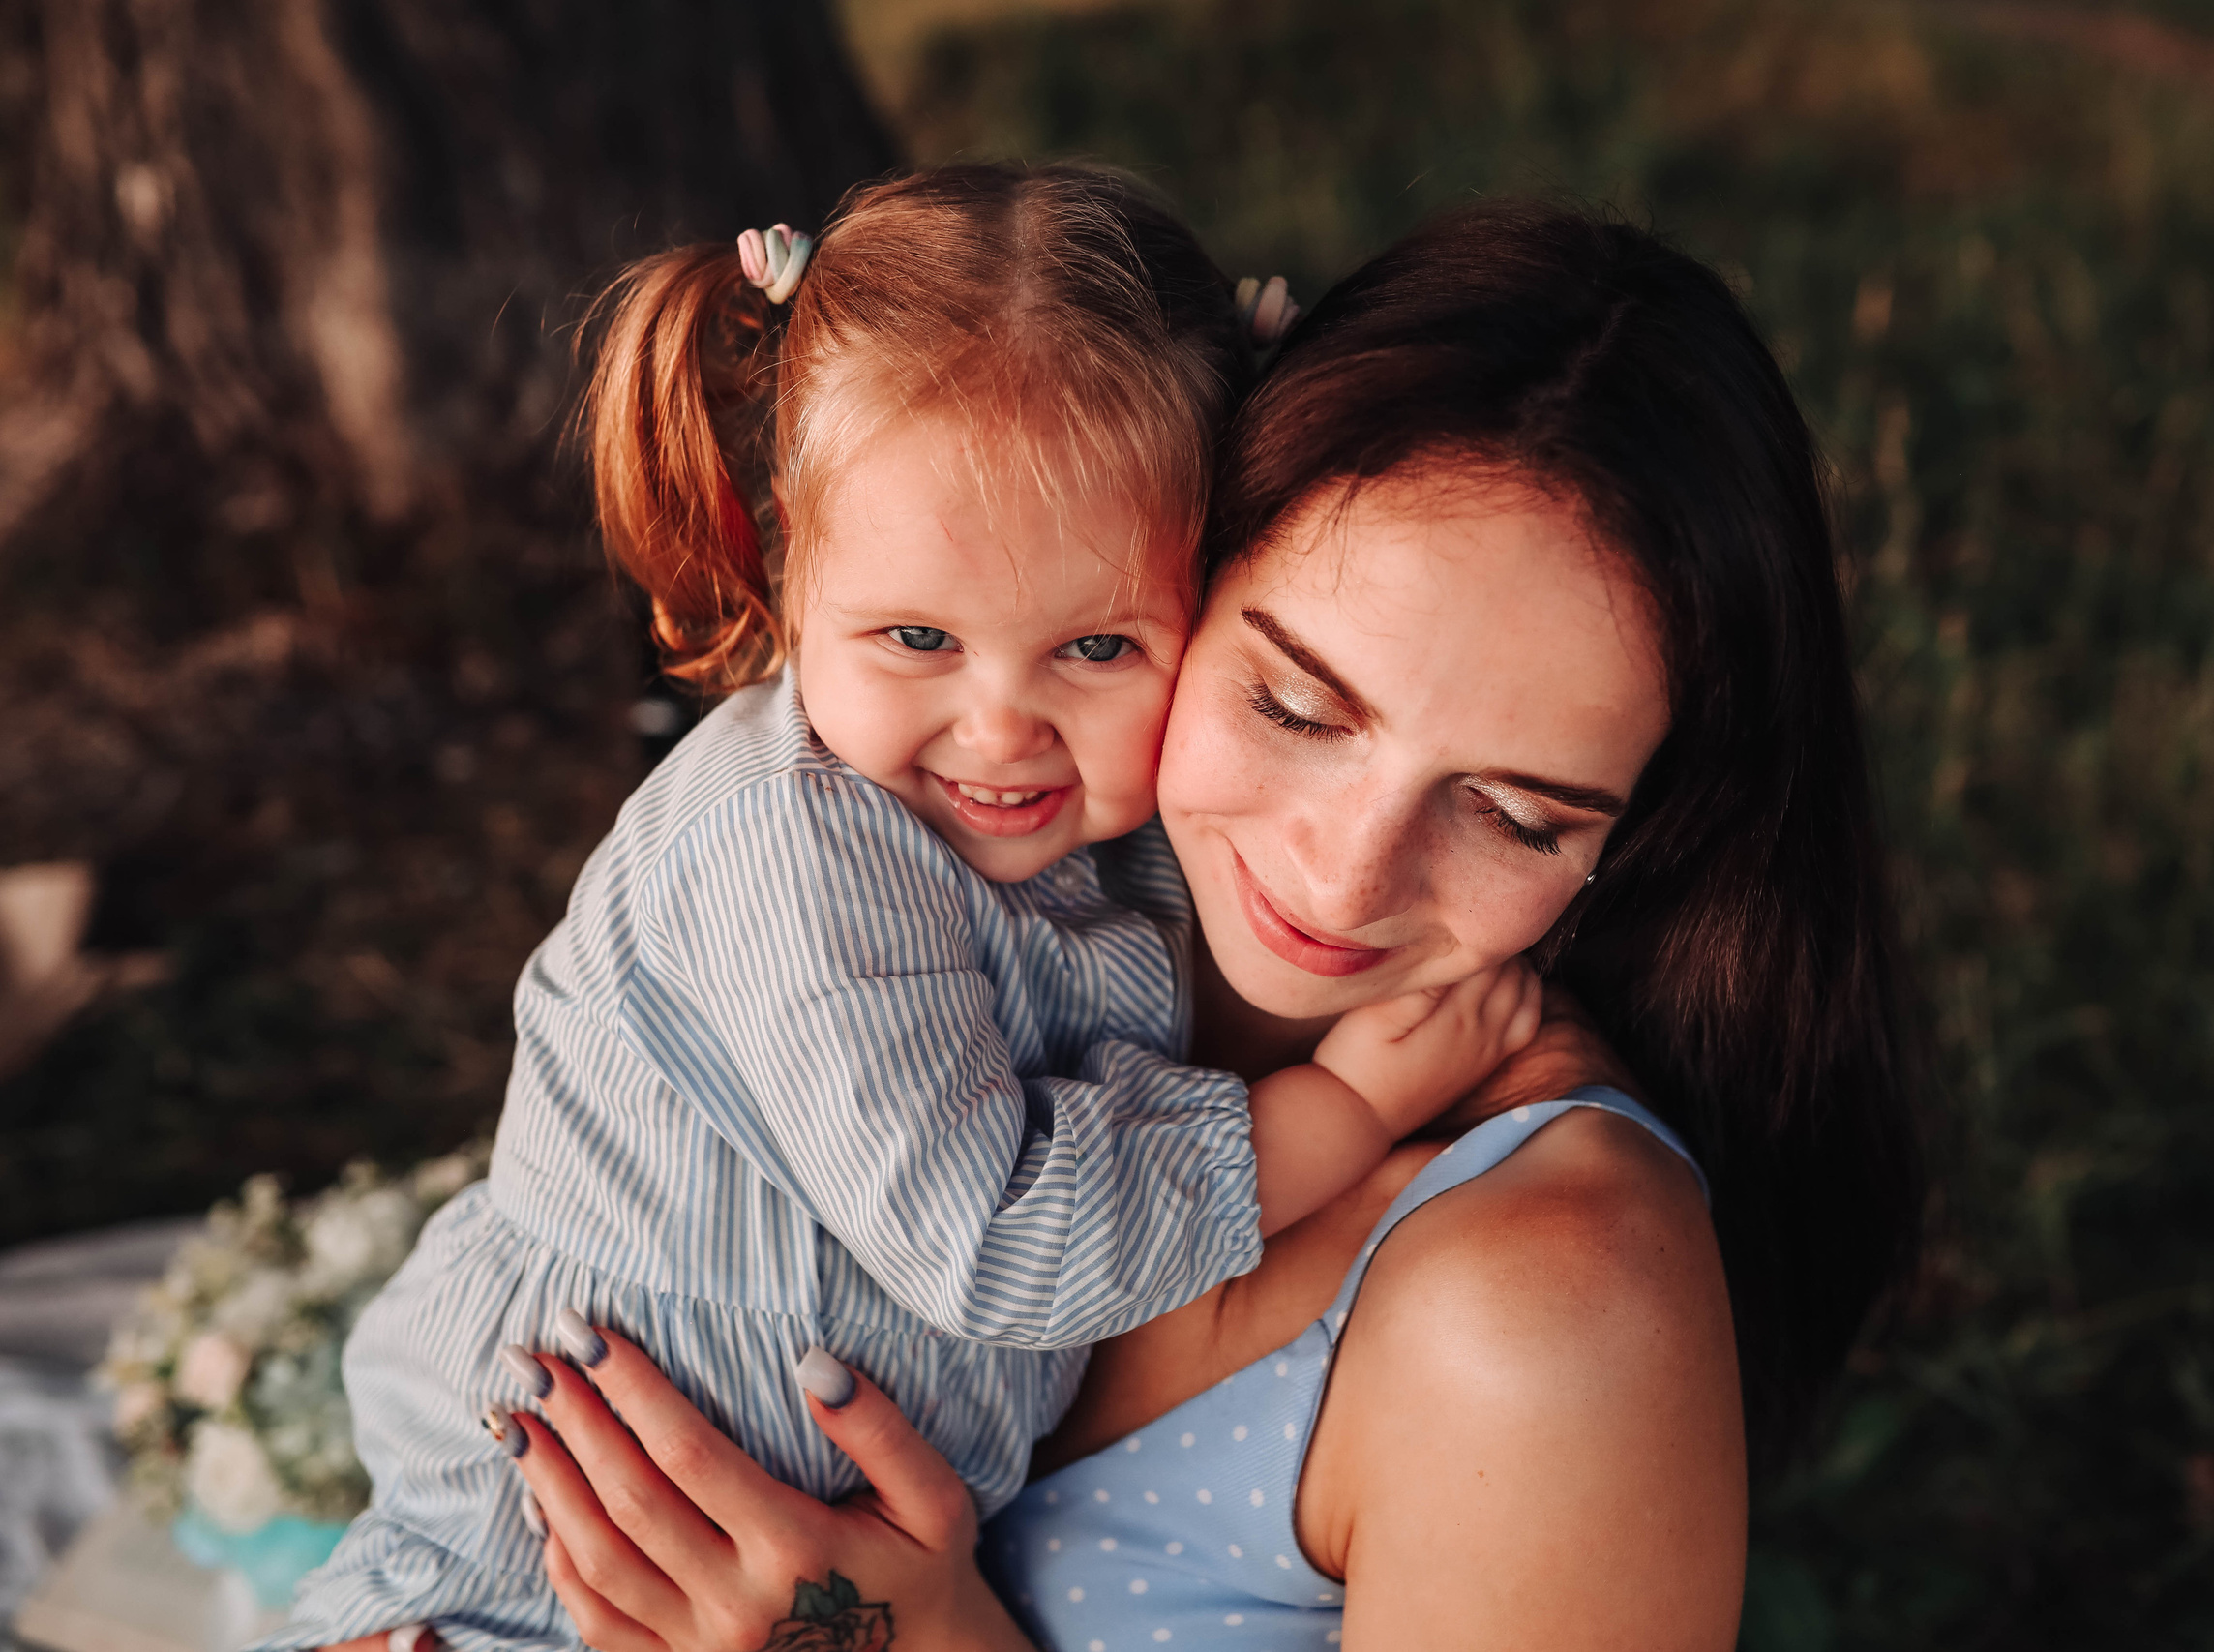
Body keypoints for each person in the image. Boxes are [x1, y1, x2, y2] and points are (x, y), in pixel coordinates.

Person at [437, 199, 1928, 1651]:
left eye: (1519, 814)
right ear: (1174, 552)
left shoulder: (1546, 1321)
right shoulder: (960, 874)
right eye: (1291, 704)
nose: (1344, 879)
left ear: (1652, 820)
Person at [270, 165, 1539, 1652]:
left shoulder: (1090, 832)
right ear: (797, 560)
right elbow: (993, 1244)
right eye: (919, 635)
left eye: (1098, 645)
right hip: (536, 1558)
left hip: (763, 1554)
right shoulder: (796, 851)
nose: (1000, 726)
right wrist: (1343, 1109)